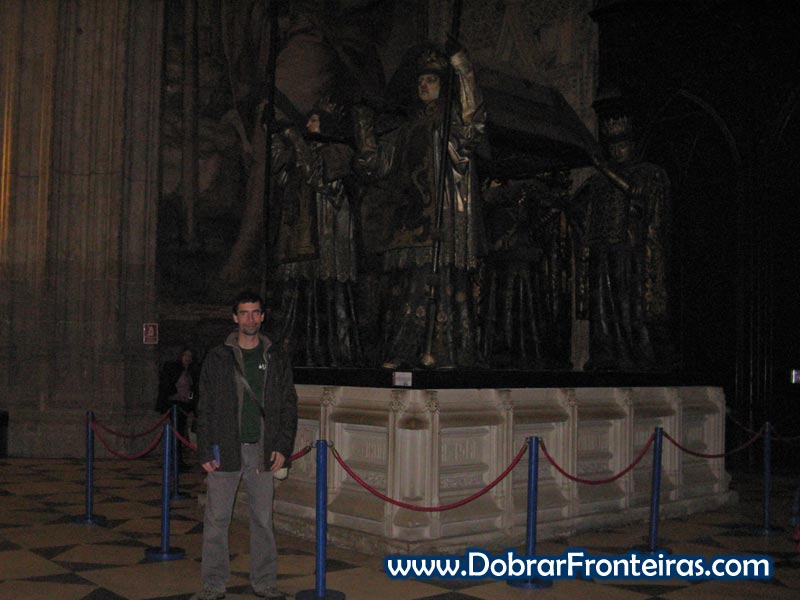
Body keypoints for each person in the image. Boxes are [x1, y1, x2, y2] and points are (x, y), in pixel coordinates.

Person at [353, 41, 487, 368]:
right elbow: (375, 165)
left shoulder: (449, 120)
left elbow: (473, 125)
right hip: (409, 217)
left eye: (430, 80)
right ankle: (405, 348)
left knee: (438, 280)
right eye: (420, 81)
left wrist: (463, 70)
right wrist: (363, 124)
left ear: (443, 85)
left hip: (440, 216)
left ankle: (442, 348)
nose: (423, 85)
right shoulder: (407, 128)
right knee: (406, 286)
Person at [193, 290, 298, 600]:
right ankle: (213, 584)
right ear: (235, 317)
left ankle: (265, 582)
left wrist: (283, 446)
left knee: (263, 520)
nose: (250, 318)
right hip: (225, 447)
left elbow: (288, 404)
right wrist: (204, 450)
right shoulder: (218, 356)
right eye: (244, 313)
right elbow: (206, 406)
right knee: (216, 520)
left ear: (262, 317)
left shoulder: (276, 356)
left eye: (256, 312)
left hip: (263, 449)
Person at [572, 88, 671, 371]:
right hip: (602, 245)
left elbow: (643, 201)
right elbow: (579, 207)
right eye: (613, 146)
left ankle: (633, 354)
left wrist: (605, 170)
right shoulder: (598, 181)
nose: (617, 151)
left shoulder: (647, 172)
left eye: (622, 145)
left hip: (630, 250)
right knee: (602, 305)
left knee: (629, 306)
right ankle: (606, 353)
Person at [271, 98, 361, 366]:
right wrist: (278, 137)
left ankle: (337, 354)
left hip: (329, 231)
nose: (308, 124)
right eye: (308, 119)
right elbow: (281, 174)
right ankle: (294, 351)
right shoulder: (301, 153)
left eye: (314, 119)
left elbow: (319, 178)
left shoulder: (338, 152)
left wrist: (296, 141)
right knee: (298, 294)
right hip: (301, 234)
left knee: (331, 294)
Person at [156, 346, 199, 469]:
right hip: (174, 405)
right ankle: (171, 460)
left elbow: (193, 390)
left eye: (190, 356)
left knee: (180, 433)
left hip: (184, 406)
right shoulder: (173, 369)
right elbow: (167, 386)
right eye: (186, 355)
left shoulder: (191, 371)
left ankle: (178, 460)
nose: (187, 358)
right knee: (175, 433)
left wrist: (191, 405)